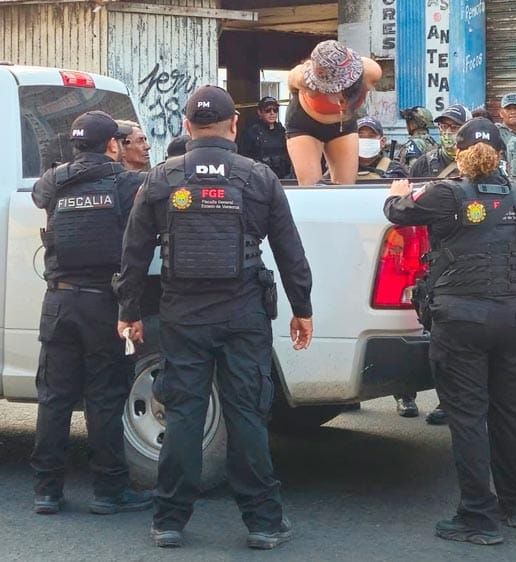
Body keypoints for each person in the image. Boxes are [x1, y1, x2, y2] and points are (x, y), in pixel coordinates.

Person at [113, 85, 314, 549]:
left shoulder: (161, 178)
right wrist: (301, 308)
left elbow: (134, 253)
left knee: (183, 414)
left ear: (186, 126)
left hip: (183, 315)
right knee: (246, 413)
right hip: (244, 314)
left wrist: (129, 311)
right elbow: (290, 252)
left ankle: (169, 521)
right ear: (235, 125)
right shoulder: (258, 177)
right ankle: (263, 522)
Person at [385, 118, 516, 544]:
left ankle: (478, 516)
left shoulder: (446, 193)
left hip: (462, 320)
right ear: (501, 153)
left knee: (467, 417)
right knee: (512, 414)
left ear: (459, 153)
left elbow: (397, 213)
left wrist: (397, 193)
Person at [30, 110, 153, 516]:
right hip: (103, 303)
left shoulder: (53, 181)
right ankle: (108, 492)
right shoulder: (126, 182)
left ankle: (46, 492)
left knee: (54, 398)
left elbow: (39, 194)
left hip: (58, 302)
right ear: (112, 145)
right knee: (104, 398)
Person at [286, 40, 382, 185]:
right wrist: (315, 90)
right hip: (305, 124)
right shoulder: (302, 78)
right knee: (310, 186)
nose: (338, 91)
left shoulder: (369, 72)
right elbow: (291, 86)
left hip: (344, 124)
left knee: (346, 186)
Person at [409, 104, 471, 179]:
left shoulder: (478, 163)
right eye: (443, 127)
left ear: (468, 130)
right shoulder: (424, 163)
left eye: (454, 127)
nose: (447, 132)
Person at [239, 96, 292, 179]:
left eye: (275, 110)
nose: (272, 113)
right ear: (260, 112)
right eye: (268, 110)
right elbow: (244, 158)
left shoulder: (282, 131)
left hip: (282, 178)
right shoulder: (252, 133)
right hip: (260, 178)